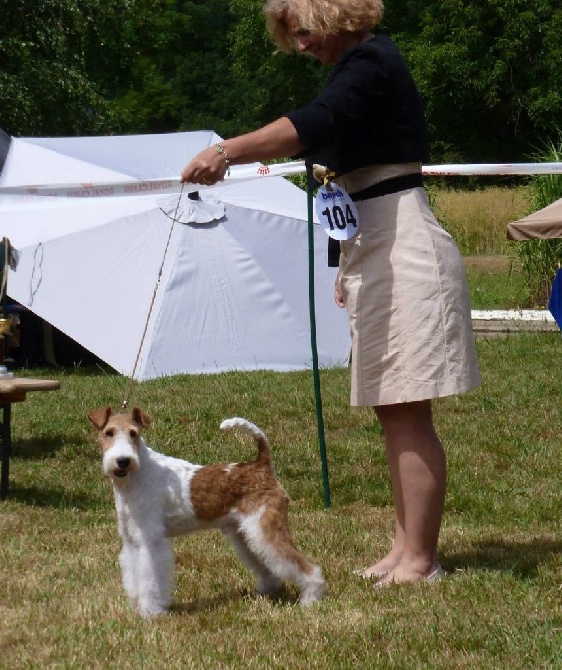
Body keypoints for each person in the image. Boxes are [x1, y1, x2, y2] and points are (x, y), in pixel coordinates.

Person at [181, 0, 481, 585]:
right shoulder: (357, 71)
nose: (300, 46)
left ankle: (421, 559)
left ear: (335, 13)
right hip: (374, 243)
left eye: (303, 32)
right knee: (392, 408)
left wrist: (226, 149)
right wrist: (343, 266)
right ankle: (404, 548)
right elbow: (341, 186)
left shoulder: (372, 62)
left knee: (407, 408)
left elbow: (313, 125)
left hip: (402, 243)